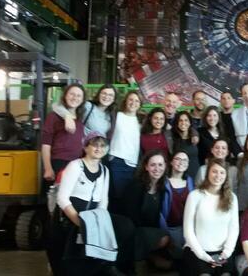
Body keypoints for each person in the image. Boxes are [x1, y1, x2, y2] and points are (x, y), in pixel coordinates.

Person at [53, 132, 135, 275]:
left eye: (103, 146)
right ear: (85, 147)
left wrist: (100, 222)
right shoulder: (75, 166)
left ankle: (112, 264)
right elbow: (62, 198)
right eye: (95, 145)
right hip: (72, 215)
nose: (99, 149)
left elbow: (104, 201)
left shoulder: (104, 170)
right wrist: (79, 221)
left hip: (93, 216)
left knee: (125, 226)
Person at [182, 158, 239, 276]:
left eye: (222, 172)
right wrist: (203, 255)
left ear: (226, 176)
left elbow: (234, 228)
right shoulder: (194, 196)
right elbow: (188, 231)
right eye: (214, 171)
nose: (218, 175)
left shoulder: (232, 198)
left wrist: (226, 253)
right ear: (207, 173)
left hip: (223, 253)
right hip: (198, 252)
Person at [119, 150, 171, 269]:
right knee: (162, 238)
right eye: (153, 165)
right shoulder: (136, 186)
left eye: (160, 165)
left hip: (149, 230)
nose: (157, 168)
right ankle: (137, 262)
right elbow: (130, 217)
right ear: (146, 167)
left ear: (165, 166)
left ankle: (149, 258)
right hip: (133, 231)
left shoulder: (163, 187)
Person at [42, 84, 86, 183]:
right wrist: (48, 168)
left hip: (76, 163)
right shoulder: (53, 117)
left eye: (79, 96)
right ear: (65, 95)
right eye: (72, 94)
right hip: (58, 163)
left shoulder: (80, 118)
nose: (75, 98)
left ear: (82, 100)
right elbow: (46, 144)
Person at [107, 90, 142, 204]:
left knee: (129, 199)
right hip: (117, 160)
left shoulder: (141, 120)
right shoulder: (116, 115)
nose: (133, 103)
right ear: (125, 101)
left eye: (137, 101)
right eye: (131, 99)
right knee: (117, 198)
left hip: (133, 164)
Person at [52, 84, 117, 138]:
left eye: (110, 95)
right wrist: (67, 116)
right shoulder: (88, 106)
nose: (106, 97)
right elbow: (56, 105)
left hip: (98, 150)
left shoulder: (110, 114)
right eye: (104, 93)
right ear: (98, 95)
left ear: (113, 99)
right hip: (84, 149)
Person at [163, 151, 195, 260]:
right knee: (177, 257)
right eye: (178, 159)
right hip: (171, 228)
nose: (181, 162)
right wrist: (165, 232)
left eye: (185, 160)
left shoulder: (190, 181)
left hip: (188, 228)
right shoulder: (164, 182)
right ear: (171, 162)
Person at [171, 111, 200, 179]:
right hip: (179, 176)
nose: (183, 123)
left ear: (190, 122)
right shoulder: (172, 138)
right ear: (177, 123)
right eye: (180, 120)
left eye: (186, 120)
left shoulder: (195, 137)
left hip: (196, 173)